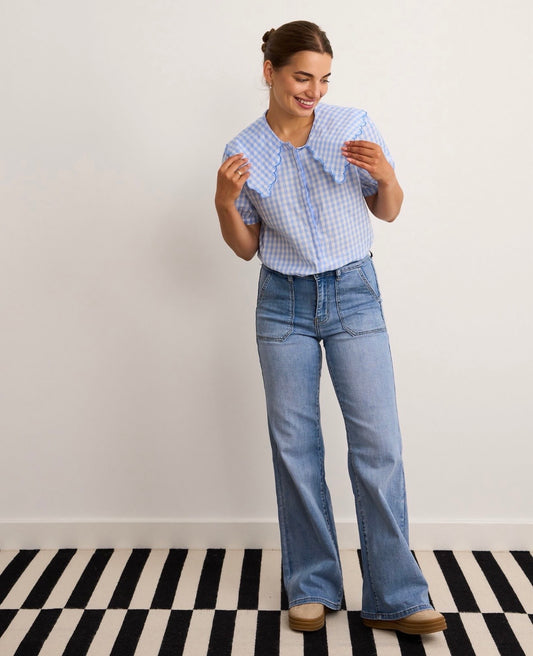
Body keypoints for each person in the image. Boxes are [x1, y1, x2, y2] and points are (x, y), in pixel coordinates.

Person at [215, 20, 446, 635]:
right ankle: (312, 585)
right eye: (301, 77)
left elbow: (387, 210)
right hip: (282, 302)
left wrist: (388, 176)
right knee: (295, 447)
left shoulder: (351, 126)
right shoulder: (243, 150)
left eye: (323, 79)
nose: (313, 91)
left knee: (378, 445)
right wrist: (223, 202)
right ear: (270, 72)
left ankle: (398, 595)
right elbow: (245, 247)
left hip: (353, 294)